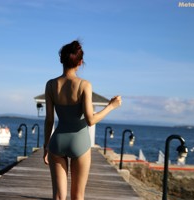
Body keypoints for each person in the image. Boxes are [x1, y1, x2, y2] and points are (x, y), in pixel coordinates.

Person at [43, 40, 122, 200]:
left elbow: (49, 119)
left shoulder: (50, 85)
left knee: (58, 197)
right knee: (77, 196)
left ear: (61, 60)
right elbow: (90, 120)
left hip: (57, 141)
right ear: (80, 62)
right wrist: (111, 106)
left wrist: (46, 146)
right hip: (79, 141)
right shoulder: (84, 85)